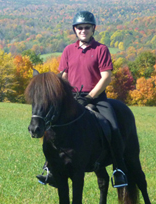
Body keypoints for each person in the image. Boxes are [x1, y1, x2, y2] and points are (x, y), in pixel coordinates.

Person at [36, 10, 128, 188]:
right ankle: (50, 168)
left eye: (86, 27)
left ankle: (119, 170)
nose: (83, 31)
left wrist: (90, 96)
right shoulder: (69, 50)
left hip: (96, 98)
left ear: (93, 29)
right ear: (75, 30)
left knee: (114, 127)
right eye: (79, 28)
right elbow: (63, 75)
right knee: (51, 127)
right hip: (72, 98)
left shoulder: (101, 49)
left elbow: (106, 77)